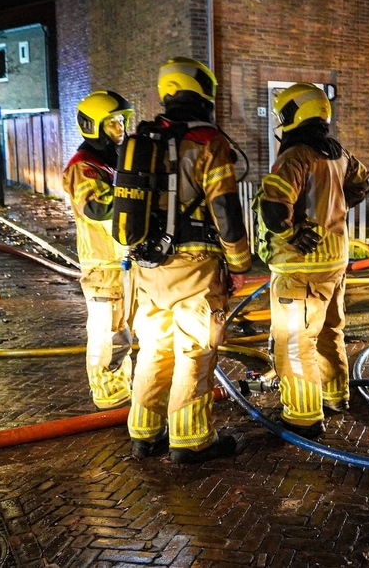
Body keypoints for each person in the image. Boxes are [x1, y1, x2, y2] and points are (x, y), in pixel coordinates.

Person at [127, 57, 251, 464]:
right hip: (195, 266)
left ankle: (144, 434)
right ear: (203, 94)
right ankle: (191, 439)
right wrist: (239, 262)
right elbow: (227, 210)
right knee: (194, 351)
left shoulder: (144, 139)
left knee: (153, 349)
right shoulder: (206, 142)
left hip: (148, 264)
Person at [256, 83, 369, 437]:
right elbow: (363, 185)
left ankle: (303, 415)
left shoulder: (295, 156)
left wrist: (292, 234)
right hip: (335, 262)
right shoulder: (337, 153)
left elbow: (274, 207)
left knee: (294, 341)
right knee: (329, 332)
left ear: (294, 114)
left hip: (299, 267)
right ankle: (336, 395)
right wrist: (333, 211)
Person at [62, 91, 134, 410]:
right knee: (107, 333)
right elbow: (97, 208)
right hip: (103, 265)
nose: (120, 129)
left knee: (123, 330)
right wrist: (135, 193)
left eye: (121, 122)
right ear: (94, 127)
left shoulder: (109, 163)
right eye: (113, 123)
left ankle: (121, 389)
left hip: (121, 262)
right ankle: (107, 393)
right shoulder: (83, 167)